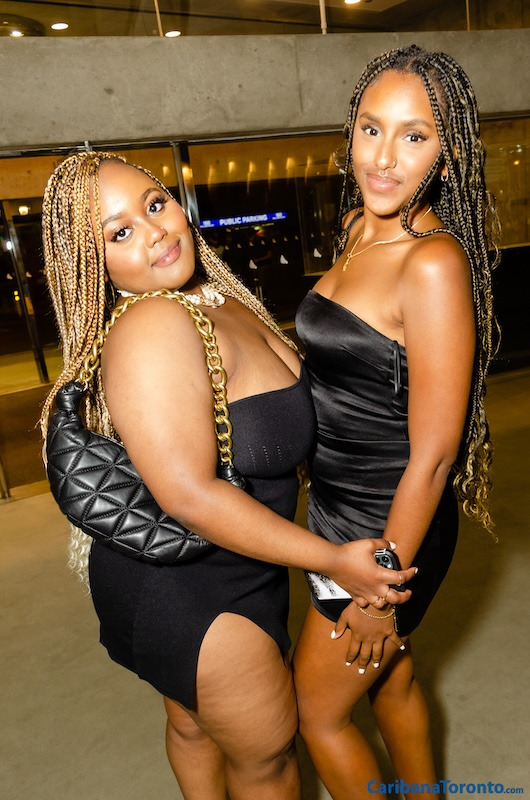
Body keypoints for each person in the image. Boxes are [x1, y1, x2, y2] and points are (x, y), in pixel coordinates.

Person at [39, 151, 415, 800]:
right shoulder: (153, 324)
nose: (155, 231)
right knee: (269, 762)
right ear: (90, 263)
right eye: (119, 232)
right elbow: (188, 495)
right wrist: (334, 560)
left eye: (155, 204)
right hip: (188, 589)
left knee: (194, 725)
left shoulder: (215, 298)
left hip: (238, 564)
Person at [293, 44, 499, 800]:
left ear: (449, 153)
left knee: (316, 715)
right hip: (334, 510)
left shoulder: (432, 263)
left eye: (415, 136)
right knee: (391, 681)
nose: (383, 157)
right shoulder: (357, 226)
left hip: (388, 533)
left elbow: (436, 455)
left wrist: (380, 591)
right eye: (371, 128)